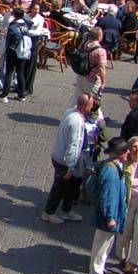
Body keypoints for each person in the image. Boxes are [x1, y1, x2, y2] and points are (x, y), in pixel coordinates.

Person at [42, 94, 92, 224]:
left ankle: (66, 210)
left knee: (72, 185)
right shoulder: (76, 121)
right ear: (84, 106)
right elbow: (73, 145)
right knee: (60, 186)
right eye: (90, 105)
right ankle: (48, 212)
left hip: (62, 157)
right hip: (64, 161)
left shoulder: (71, 112)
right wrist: (70, 166)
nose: (92, 107)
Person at [87, 138, 130, 274]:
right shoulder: (111, 172)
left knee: (106, 243)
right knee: (101, 244)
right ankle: (95, 272)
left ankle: (100, 267)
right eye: (125, 151)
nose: (128, 152)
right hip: (108, 216)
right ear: (120, 153)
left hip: (111, 214)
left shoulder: (112, 166)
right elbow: (108, 197)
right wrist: (110, 217)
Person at [0, 8, 31, 104]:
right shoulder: (25, 24)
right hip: (24, 50)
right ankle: (21, 95)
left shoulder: (13, 25)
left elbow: (11, 37)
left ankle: (4, 95)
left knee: (9, 72)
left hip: (13, 50)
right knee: (20, 72)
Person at [74, 27, 108, 104]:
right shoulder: (100, 51)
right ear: (99, 36)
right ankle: (87, 115)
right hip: (92, 78)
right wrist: (103, 82)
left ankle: (73, 114)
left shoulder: (84, 44)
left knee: (77, 97)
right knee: (91, 101)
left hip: (81, 74)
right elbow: (102, 68)